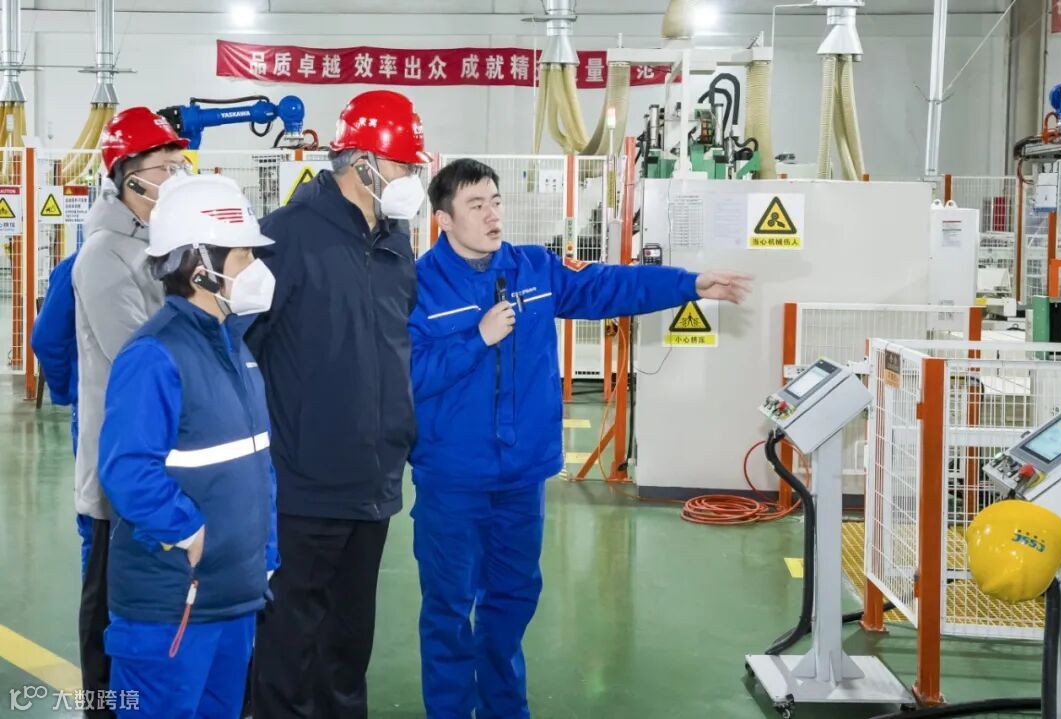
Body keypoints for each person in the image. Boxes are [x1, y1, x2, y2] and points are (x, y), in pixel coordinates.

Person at [408, 158, 752, 719]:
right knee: (448, 610)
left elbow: (605, 285)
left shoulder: (533, 268)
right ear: (443, 219)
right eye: (476, 205)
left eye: (496, 201)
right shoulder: (418, 285)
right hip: (453, 478)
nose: (493, 215)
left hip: (523, 476)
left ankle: (504, 711)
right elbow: (408, 376)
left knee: (511, 602)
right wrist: (477, 338)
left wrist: (689, 284)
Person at [247, 90, 430, 718]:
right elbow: (244, 352)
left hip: (374, 481)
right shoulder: (284, 236)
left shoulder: (396, 240)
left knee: (349, 644)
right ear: (364, 164)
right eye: (405, 166)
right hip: (304, 484)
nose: (412, 179)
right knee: (289, 643)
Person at [97, 173, 279, 718]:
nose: (257, 269)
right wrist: (188, 531)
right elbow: (128, 470)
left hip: (232, 597)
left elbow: (256, 465)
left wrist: (264, 554)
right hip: (172, 606)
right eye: (244, 255)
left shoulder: (236, 349)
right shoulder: (155, 355)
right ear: (201, 266)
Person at [71, 106, 191, 717]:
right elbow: (136, 358)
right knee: (107, 601)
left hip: (163, 458)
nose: (175, 177)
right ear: (130, 177)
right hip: (121, 464)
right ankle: (102, 706)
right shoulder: (103, 255)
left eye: (178, 164)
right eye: (164, 167)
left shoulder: (160, 244)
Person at [30, 252, 89, 575]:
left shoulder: (77, 265)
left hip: (94, 407)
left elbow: (46, 338)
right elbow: (47, 341)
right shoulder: (173, 261)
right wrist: (69, 390)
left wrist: (72, 390)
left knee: (97, 517)